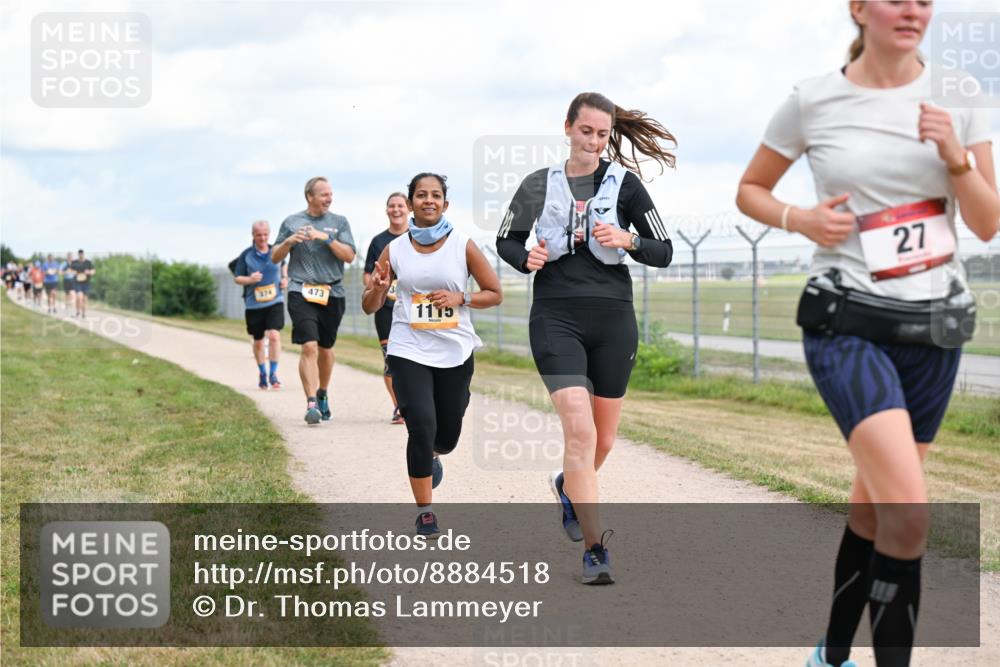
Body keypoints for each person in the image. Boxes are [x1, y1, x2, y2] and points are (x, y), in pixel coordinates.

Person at [735, 3, 998, 666]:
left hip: (936, 328)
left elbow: (988, 222)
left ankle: (830, 654)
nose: (913, 9)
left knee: (876, 508)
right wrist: (799, 218)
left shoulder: (960, 95)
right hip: (846, 319)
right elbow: (751, 189)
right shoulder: (814, 99)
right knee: (908, 513)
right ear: (858, 8)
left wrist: (956, 159)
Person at [496, 92, 675, 584]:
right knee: (580, 432)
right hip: (555, 316)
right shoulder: (538, 184)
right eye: (586, 131)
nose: (594, 142)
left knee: (605, 438)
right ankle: (596, 550)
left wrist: (628, 239)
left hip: (613, 319)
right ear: (568, 128)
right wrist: (526, 258)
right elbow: (506, 240)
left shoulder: (626, 185)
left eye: (602, 134)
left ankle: (568, 486)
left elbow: (664, 251)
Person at [363, 173, 502, 537]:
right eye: (421, 195)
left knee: (446, 436)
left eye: (435, 195)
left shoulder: (462, 245)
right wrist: (377, 290)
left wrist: (461, 297)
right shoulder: (394, 249)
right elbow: (369, 305)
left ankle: (435, 453)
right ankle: (425, 511)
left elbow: (494, 293)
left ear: (445, 203)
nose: (429, 200)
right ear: (410, 203)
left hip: (454, 349)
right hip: (408, 346)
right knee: (421, 425)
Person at [272, 177, 357, 424]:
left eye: (330, 194)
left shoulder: (339, 222)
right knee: (309, 346)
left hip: (332, 292)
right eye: (324, 194)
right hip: (301, 290)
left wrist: (325, 238)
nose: (329, 198)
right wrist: (289, 241)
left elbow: (349, 256)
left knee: (325, 349)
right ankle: (311, 403)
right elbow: (275, 257)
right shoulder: (291, 222)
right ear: (310, 196)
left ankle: (322, 393)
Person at [364, 192, 409, 424]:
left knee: (411, 359)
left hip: (412, 308)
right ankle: (399, 406)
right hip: (385, 309)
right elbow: (367, 275)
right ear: (386, 210)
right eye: (392, 206)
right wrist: (376, 288)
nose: (396, 210)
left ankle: (415, 402)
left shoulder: (418, 238)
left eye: (400, 205)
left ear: (408, 208)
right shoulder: (378, 241)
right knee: (390, 359)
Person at [233, 220, 288, 390]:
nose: (262, 238)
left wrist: (285, 279)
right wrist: (250, 279)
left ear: (269, 234)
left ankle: (273, 373)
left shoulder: (276, 251)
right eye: (259, 235)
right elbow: (237, 278)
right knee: (258, 342)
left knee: (274, 336)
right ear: (253, 235)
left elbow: (284, 267)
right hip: (254, 305)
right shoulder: (246, 255)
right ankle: (262, 372)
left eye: (265, 235)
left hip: (275, 301)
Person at [70, 250, 95, 318]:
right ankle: (77, 312)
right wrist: (73, 272)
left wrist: (89, 272)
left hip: (86, 283)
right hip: (77, 282)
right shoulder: (74, 262)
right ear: (78, 254)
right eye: (80, 254)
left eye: (82, 254)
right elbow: (70, 270)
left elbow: (93, 271)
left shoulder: (88, 262)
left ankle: (83, 313)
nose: (81, 255)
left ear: (84, 254)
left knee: (84, 299)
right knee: (79, 297)